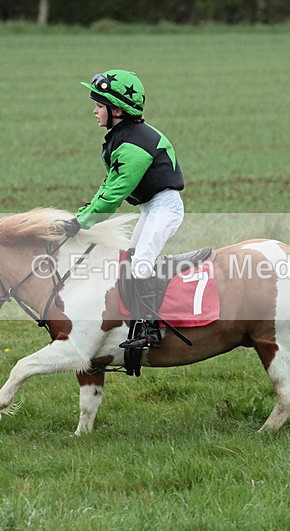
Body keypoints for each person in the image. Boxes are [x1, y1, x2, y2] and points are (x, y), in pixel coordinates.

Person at [61, 69, 184, 350]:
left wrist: (82, 222)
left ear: (116, 109)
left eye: (98, 105)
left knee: (140, 266)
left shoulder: (132, 145)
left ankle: (151, 331)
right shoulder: (123, 137)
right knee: (130, 263)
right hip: (151, 208)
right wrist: (83, 214)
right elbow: (109, 186)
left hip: (164, 209)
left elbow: (114, 194)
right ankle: (138, 324)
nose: (94, 111)